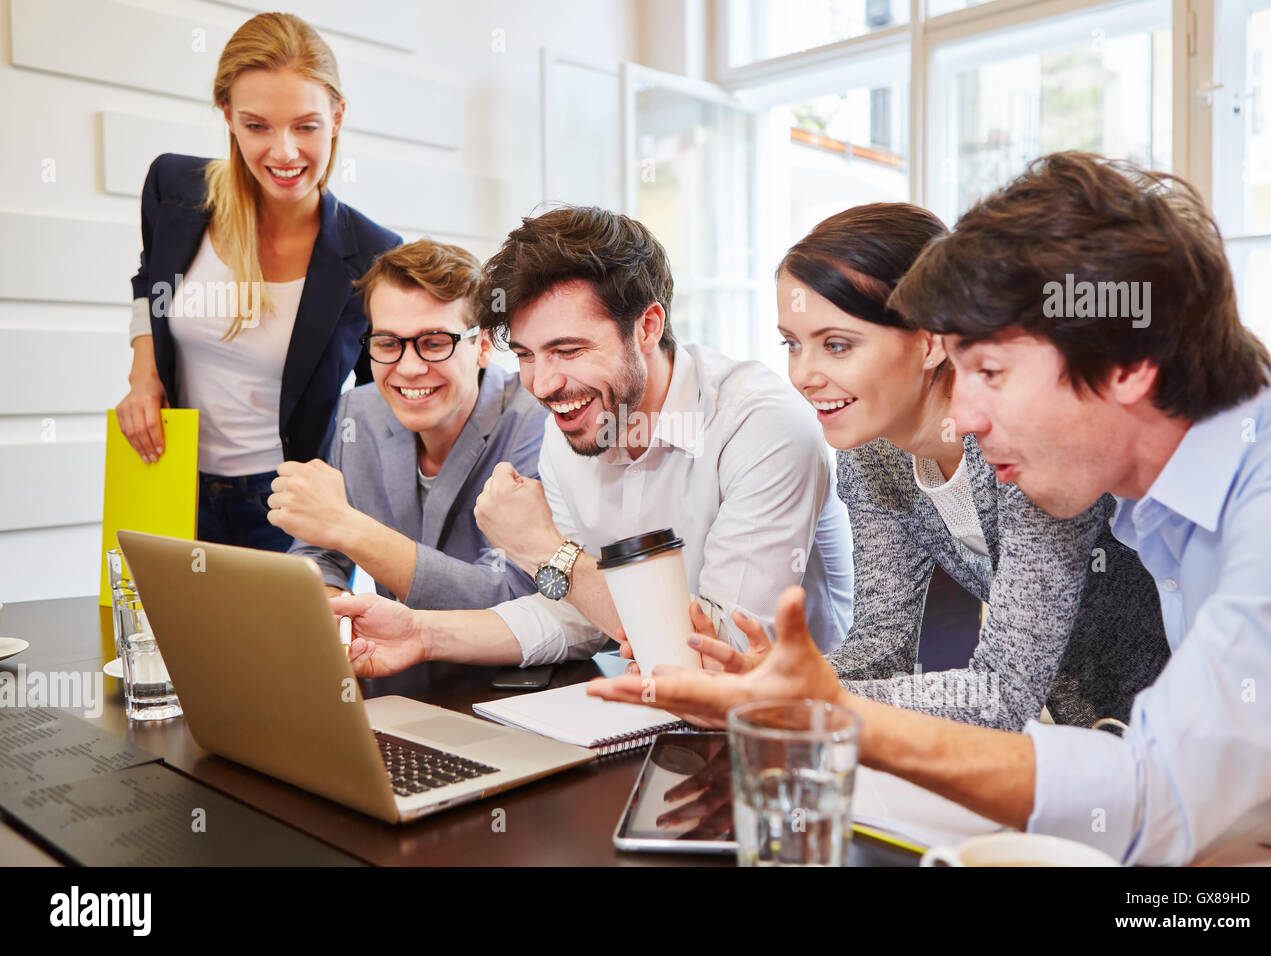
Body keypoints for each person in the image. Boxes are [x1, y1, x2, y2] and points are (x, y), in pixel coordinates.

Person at [589, 151, 1271, 866]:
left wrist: (833, 710)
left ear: (1126, 364)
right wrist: (806, 696)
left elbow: (1147, 793)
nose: (963, 412)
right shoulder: (1158, 494)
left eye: (988, 371)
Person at [623, 204, 1167, 731]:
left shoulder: (1021, 441)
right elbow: (880, 652)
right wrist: (763, 682)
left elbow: (1001, 695)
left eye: (836, 345)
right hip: (1093, 735)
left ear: (930, 342)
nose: (804, 375)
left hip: (1180, 732)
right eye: (792, 344)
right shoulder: (871, 449)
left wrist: (801, 695)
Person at [331, 206, 854, 672]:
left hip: (798, 723)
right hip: (662, 707)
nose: (542, 385)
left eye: (568, 349)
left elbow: (720, 658)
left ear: (647, 326)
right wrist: (421, 633)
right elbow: (576, 616)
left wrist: (544, 548)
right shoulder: (575, 422)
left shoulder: (760, 426)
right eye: (528, 355)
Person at [116, 12, 400, 551]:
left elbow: (378, 399)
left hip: (288, 503)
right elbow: (147, 280)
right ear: (226, 115)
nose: (285, 152)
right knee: (157, 635)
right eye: (257, 125)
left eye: (306, 125)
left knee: (273, 639)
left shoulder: (374, 255)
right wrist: (143, 375)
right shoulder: (173, 187)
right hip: (167, 479)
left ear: (337, 117)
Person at [268, 240, 548, 608]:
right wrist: (334, 611)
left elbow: (517, 593)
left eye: (434, 343)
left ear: (482, 346)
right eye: (387, 343)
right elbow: (319, 554)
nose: (409, 369)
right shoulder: (358, 412)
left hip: (510, 665)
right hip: (391, 661)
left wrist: (351, 528)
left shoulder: (536, 421)